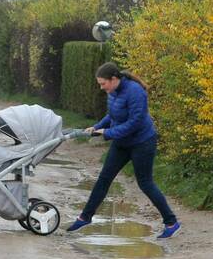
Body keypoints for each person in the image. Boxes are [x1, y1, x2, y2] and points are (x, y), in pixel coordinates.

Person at [67, 62, 180, 238]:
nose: (101, 87)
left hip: (142, 142)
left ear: (114, 79)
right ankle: (85, 217)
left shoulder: (135, 92)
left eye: (103, 83)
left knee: (145, 183)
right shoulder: (113, 92)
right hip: (122, 142)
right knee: (104, 179)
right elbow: (112, 114)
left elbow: (134, 123)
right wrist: (96, 127)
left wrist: (109, 132)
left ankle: (171, 222)